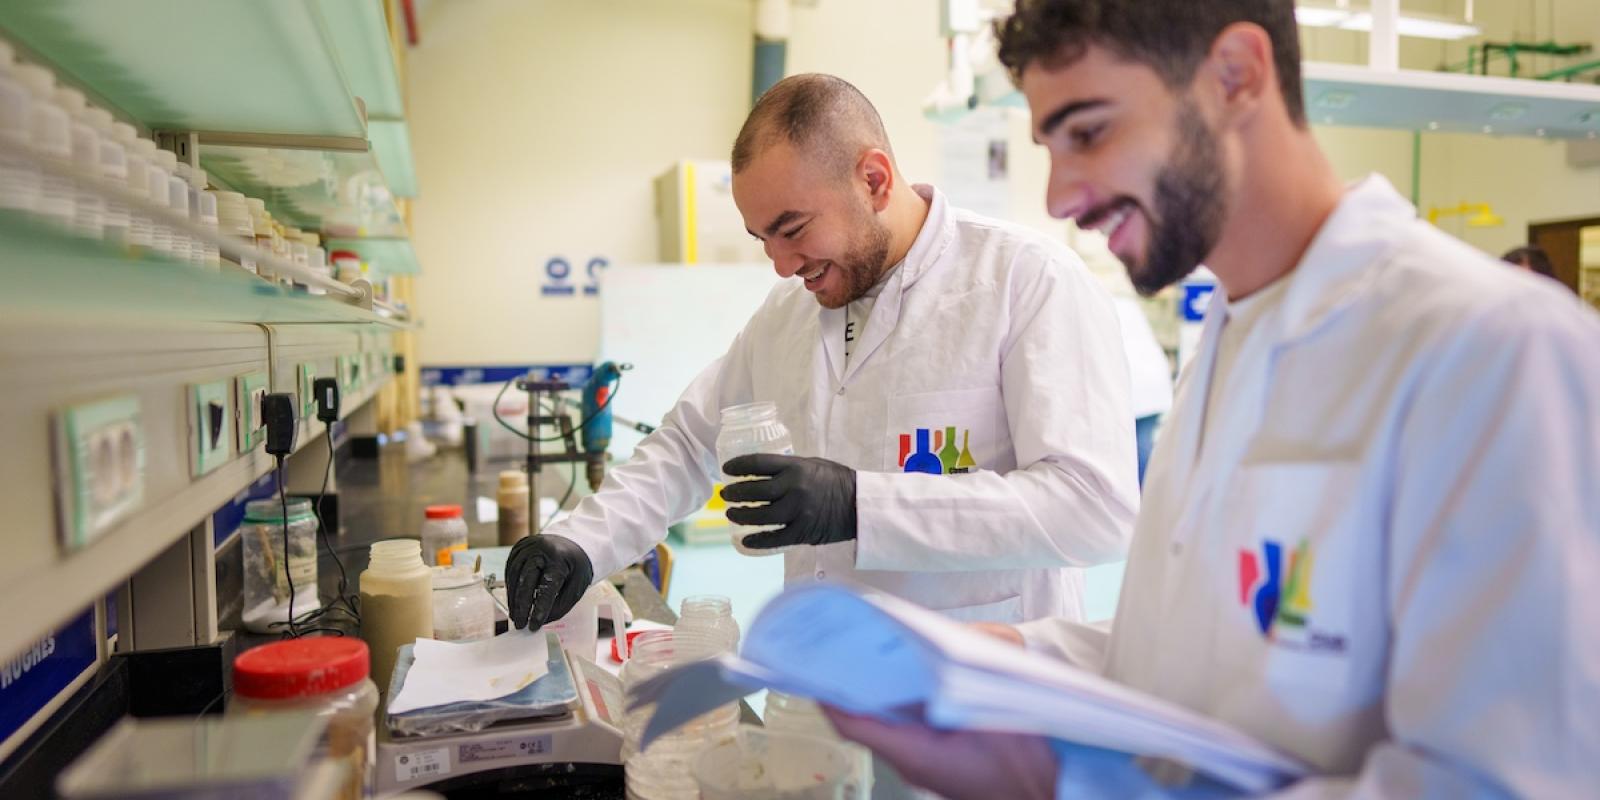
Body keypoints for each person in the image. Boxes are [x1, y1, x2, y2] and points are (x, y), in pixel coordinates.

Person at [824, 1, 1600, 797]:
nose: (1059, 197)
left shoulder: (1494, 351)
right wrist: (1002, 655)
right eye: (1049, 148)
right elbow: (1195, 666)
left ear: (1236, 76)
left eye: (1088, 132)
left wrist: (1070, 782)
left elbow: (1506, 781)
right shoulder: (1228, 347)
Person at [504, 74, 1139, 636]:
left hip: (979, 709)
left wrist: (862, 505)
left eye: (793, 228)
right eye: (762, 239)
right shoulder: (789, 317)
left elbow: (1095, 507)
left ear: (874, 180)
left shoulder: (1026, 282)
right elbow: (688, 443)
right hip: (819, 692)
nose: (780, 266)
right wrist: (581, 542)